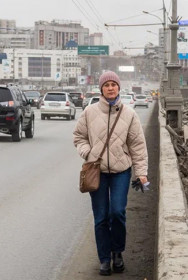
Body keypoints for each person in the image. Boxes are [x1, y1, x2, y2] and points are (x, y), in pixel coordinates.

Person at [73, 71, 148, 276]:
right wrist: (88, 153)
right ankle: (104, 259)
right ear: (101, 89)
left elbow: (138, 146)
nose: (110, 88)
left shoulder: (129, 114)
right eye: (107, 85)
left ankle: (117, 252)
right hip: (96, 171)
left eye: (114, 84)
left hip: (120, 171)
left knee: (117, 212)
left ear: (118, 87)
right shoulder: (89, 112)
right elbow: (79, 137)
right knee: (101, 217)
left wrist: (141, 173)